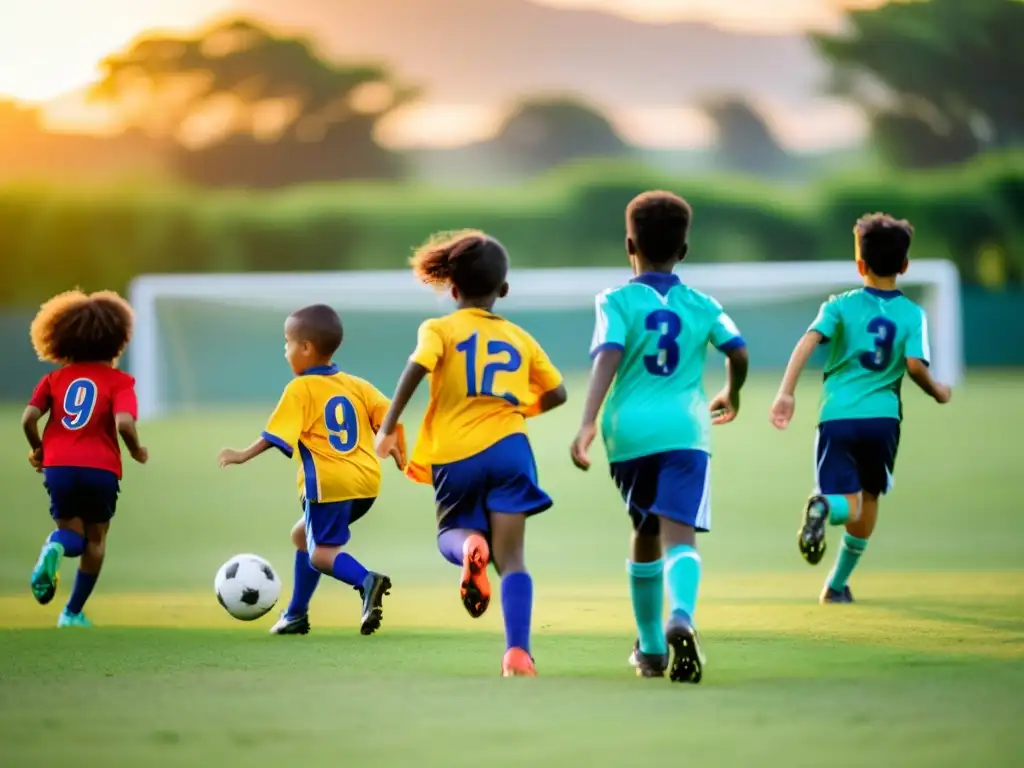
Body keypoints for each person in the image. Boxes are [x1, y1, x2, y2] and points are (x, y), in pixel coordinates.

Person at [570, 191, 749, 683]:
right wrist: (732, 392)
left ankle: (650, 649)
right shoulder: (705, 305)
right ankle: (681, 617)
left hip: (627, 435)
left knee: (645, 531)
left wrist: (587, 421)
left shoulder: (614, 300)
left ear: (629, 244)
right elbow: (738, 349)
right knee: (679, 537)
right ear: (684, 251)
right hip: (685, 432)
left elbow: (607, 354)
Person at [374, 230, 567, 677]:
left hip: (456, 454)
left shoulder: (438, 329)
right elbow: (556, 393)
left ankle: (469, 549)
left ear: (452, 288)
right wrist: (518, 408)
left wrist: (388, 428)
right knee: (513, 558)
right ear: (503, 290)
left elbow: (416, 367)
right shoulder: (520, 338)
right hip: (511, 450)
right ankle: (518, 654)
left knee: (451, 537)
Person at [770, 213, 951, 603]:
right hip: (883, 420)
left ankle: (823, 507)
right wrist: (937, 390)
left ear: (860, 265)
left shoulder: (839, 306)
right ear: (904, 266)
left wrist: (786, 392)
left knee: (845, 503)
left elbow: (806, 342)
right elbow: (916, 366)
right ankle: (836, 585)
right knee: (867, 501)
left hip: (837, 417)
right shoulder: (912, 315)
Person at [218, 304, 405, 635]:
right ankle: (296, 614)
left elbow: (275, 436)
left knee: (321, 554)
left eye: (287, 343)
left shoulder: (300, 388)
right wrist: (396, 449)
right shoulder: (355, 384)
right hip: (366, 483)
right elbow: (388, 414)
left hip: (329, 485)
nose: (285, 350)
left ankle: (366, 581)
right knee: (301, 535)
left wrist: (242, 454)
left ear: (306, 348)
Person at [23, 289, 148, 627]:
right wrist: (136, 449)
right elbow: (123, 422)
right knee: (95, 540)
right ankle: (72, 613)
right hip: (101, 469)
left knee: (71, 535)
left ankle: (54, 547)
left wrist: (39, 449)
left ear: (61, 339)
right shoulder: (120, 381)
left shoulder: (53, 379)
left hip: (58, 467)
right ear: (117, 339)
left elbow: (28, 419)